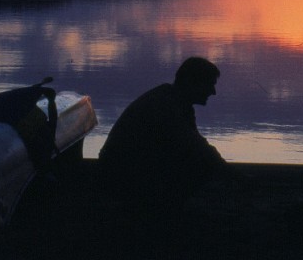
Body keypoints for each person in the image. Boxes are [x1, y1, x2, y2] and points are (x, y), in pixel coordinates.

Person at [98, 57, 235, 214]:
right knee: (200, 166)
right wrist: (235, 176)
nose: (213, 92)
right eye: (210, 84)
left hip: (128, 167)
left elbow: (196, 144)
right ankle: (159, 211)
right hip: (118, 174)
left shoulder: (177, 101)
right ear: (192, 82)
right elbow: (200, 149)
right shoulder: (166, 106)